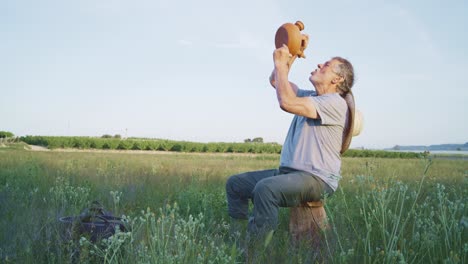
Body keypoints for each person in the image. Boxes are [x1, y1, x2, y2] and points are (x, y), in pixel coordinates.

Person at [225, 35, 355, 235]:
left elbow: (286, 101)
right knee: (235, 184)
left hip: (317, 178)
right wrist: (292, 53)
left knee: (266, 189)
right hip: (291, 174)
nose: (319, 64)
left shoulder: (335, 102)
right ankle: (238, 235)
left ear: (337, 79)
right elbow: (278, 81)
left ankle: (258, 250)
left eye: (326, 65)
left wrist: (280, 61)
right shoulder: (310, 96)